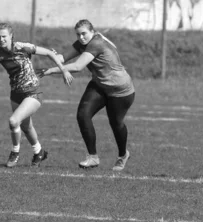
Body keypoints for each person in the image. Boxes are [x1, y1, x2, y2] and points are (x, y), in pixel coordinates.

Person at [39, 19, 135, 171]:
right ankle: (92, 158)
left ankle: (123, 155)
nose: (81, 37)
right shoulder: (82, 43)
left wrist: (50, 71)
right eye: (78, 34)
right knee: (83, 114)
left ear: (92, 31)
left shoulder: (96, 43)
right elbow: (63, 58)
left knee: (116, 124)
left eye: (84, 33)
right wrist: (51, 56)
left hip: (120, 89)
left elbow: (77, 66)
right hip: (100, 85)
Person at [0, 22, 73, 168]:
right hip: (15, 94)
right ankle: (39, 152)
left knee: (14, 121)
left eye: (4, 36)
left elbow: (49, 53)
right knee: (26, 127)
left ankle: (15, 152)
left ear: (11, 36)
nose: (1, 39)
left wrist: (64, 70)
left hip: (33, 93)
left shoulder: (22, 47)